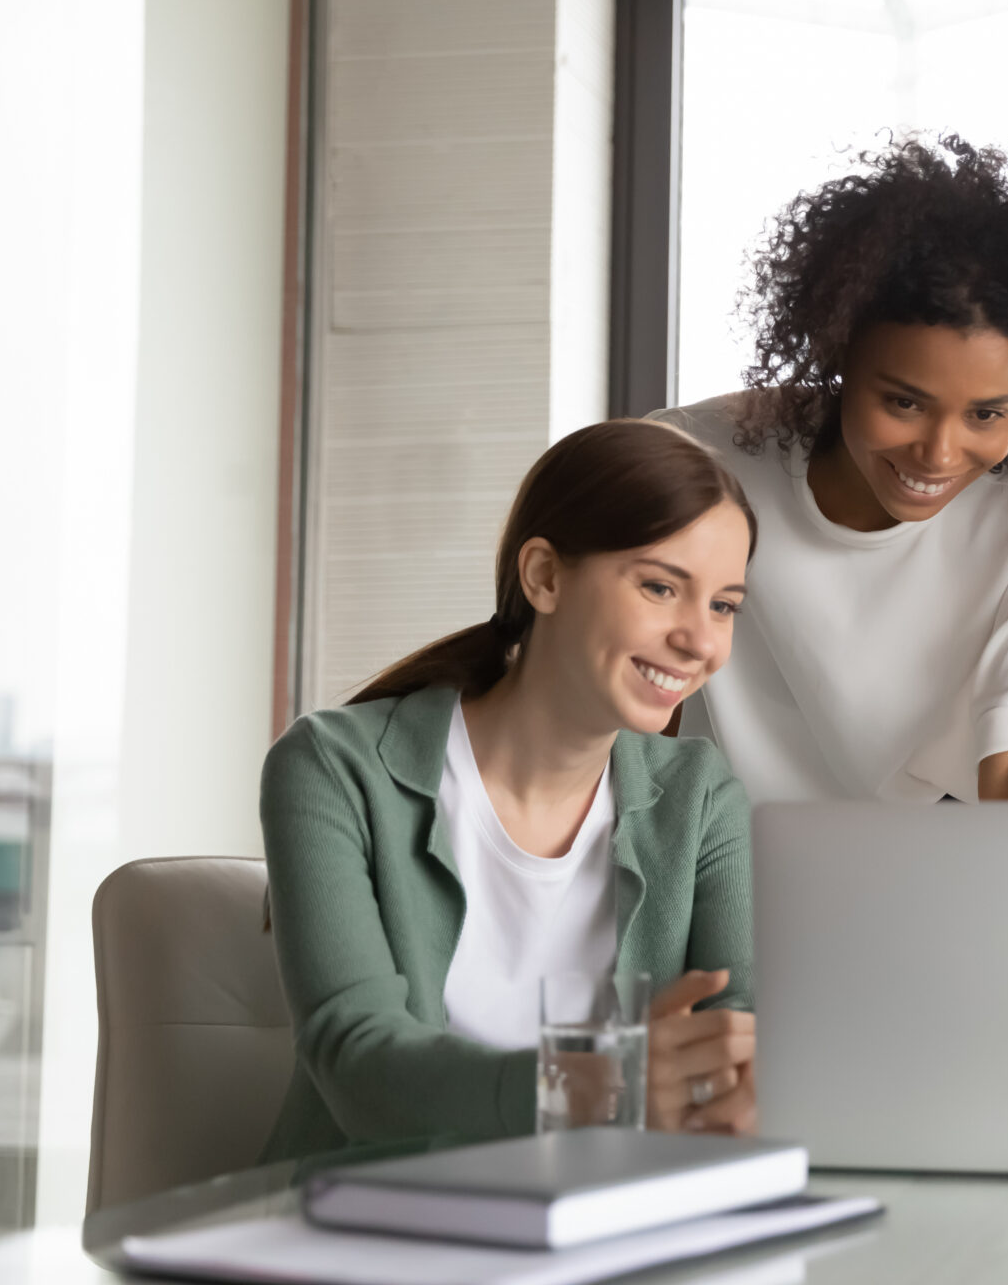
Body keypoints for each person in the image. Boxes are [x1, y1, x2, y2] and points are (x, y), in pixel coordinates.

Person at [259, 419, 761, 1162]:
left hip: (606, 1221)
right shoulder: (334, 767)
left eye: (723, 605)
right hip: (366, 1228)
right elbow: (357, 1065)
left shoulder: (701, 795)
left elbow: (738, 1035)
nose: (701, 640)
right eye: (661, 586)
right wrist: (600, 1088)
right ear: (545, 576)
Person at [651, 134, 1008, 804]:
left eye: (989, 414)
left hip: (939, 866)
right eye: (904, 402)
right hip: (722, 862)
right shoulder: (695, 464)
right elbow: (632, 727)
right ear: (839, 351)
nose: (938, 454)